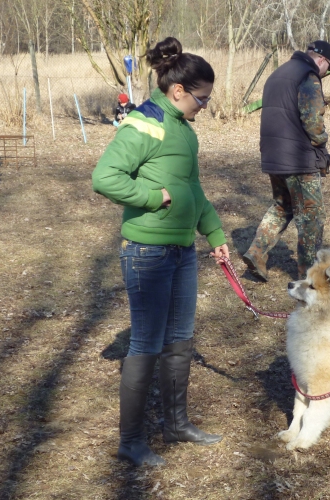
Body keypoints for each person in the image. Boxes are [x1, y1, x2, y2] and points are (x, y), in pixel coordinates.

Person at [92, 37, 229, 467]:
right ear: (178, 91)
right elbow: (105, 177)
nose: (205, 105)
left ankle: (177, 424)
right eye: (201, 98)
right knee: (147, 344)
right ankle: (131, 440)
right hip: (147, 252)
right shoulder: (143, 124)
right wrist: (155, 197)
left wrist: (215, 232)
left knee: (181, 341)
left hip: (183, 251)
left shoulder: (184, 131)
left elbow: (193, 189)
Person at [242, 40, 330, 281]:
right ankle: (310, 277)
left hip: (273, 154)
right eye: (328, 68)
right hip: (298, 157)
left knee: (282, 206)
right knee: (311, 217)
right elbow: (312, 121)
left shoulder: (278, 73)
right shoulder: (309, 76)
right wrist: (322, 142)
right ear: (323, 60)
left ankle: (257, 253)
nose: (326, 73)